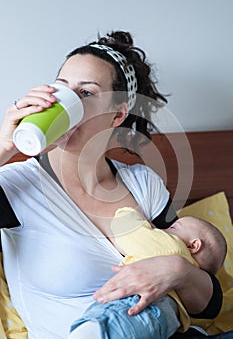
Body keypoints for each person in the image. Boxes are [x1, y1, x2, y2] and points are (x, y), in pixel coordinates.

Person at [0, 30, 224, 339]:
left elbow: (207, 304)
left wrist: (177, 271)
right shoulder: (16, 187)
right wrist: (3, 147)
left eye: (87, 93)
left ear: (116, 115)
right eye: (61, 88)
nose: (66, 102)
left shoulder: (142, 184)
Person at [69, 207, 227, 338]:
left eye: (173, 227)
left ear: (193, 246)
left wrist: (126, 212)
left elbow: (127, 230)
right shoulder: (191, 288)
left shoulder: (171, 246)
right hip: (167, 322)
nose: (161, 229)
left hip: (135, 308)